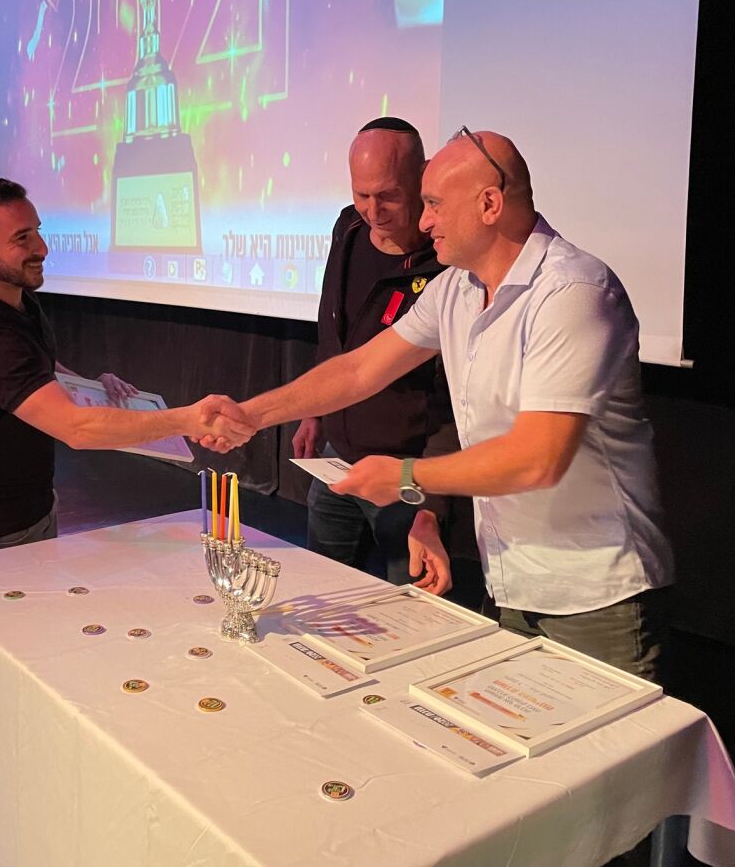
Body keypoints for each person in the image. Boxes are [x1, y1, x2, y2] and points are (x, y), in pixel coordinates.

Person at [212, 129, 674, 679]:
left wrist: (407, 477)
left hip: (597, 595)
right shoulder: (456, 288)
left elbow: (539, 459)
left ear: (489, 204)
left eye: (433, 204)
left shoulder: (572, 292)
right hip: (512, 581)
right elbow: (359, 369)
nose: (424, 221)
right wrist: (252, 415)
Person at [0, 177, 249, 558]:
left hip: (33, 508)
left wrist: (87, 385)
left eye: (38, 231)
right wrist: (187, 420)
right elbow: (76, 428)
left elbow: (33, 368)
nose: (42, 248)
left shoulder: (19, 304)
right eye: (22, 238)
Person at [292, 117, 461, 592]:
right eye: (362, 194)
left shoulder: (448, 263)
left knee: (411, 608)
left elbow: (454, 397)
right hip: (337, 461)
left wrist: (432, 504)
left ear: (421, 177)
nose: (373, 210)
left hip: (408, 474)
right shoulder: (347, 228)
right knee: (320, 597)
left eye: (387, 196)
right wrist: (314, 411)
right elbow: (334, 335)